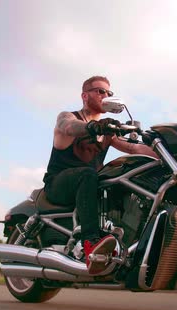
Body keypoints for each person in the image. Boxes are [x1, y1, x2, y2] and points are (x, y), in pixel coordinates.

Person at [42, 76, 157, 274]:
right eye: (100, 91)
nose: (105, 96)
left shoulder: (107, 131)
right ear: (85, 95)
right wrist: (92, 126)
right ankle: (90, 243)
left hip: (88, 185)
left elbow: (133, 148)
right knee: (88, 174)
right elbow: (68, 126)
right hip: (58, 184)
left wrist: (167, 151)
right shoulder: (68, 117)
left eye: (109, 93)